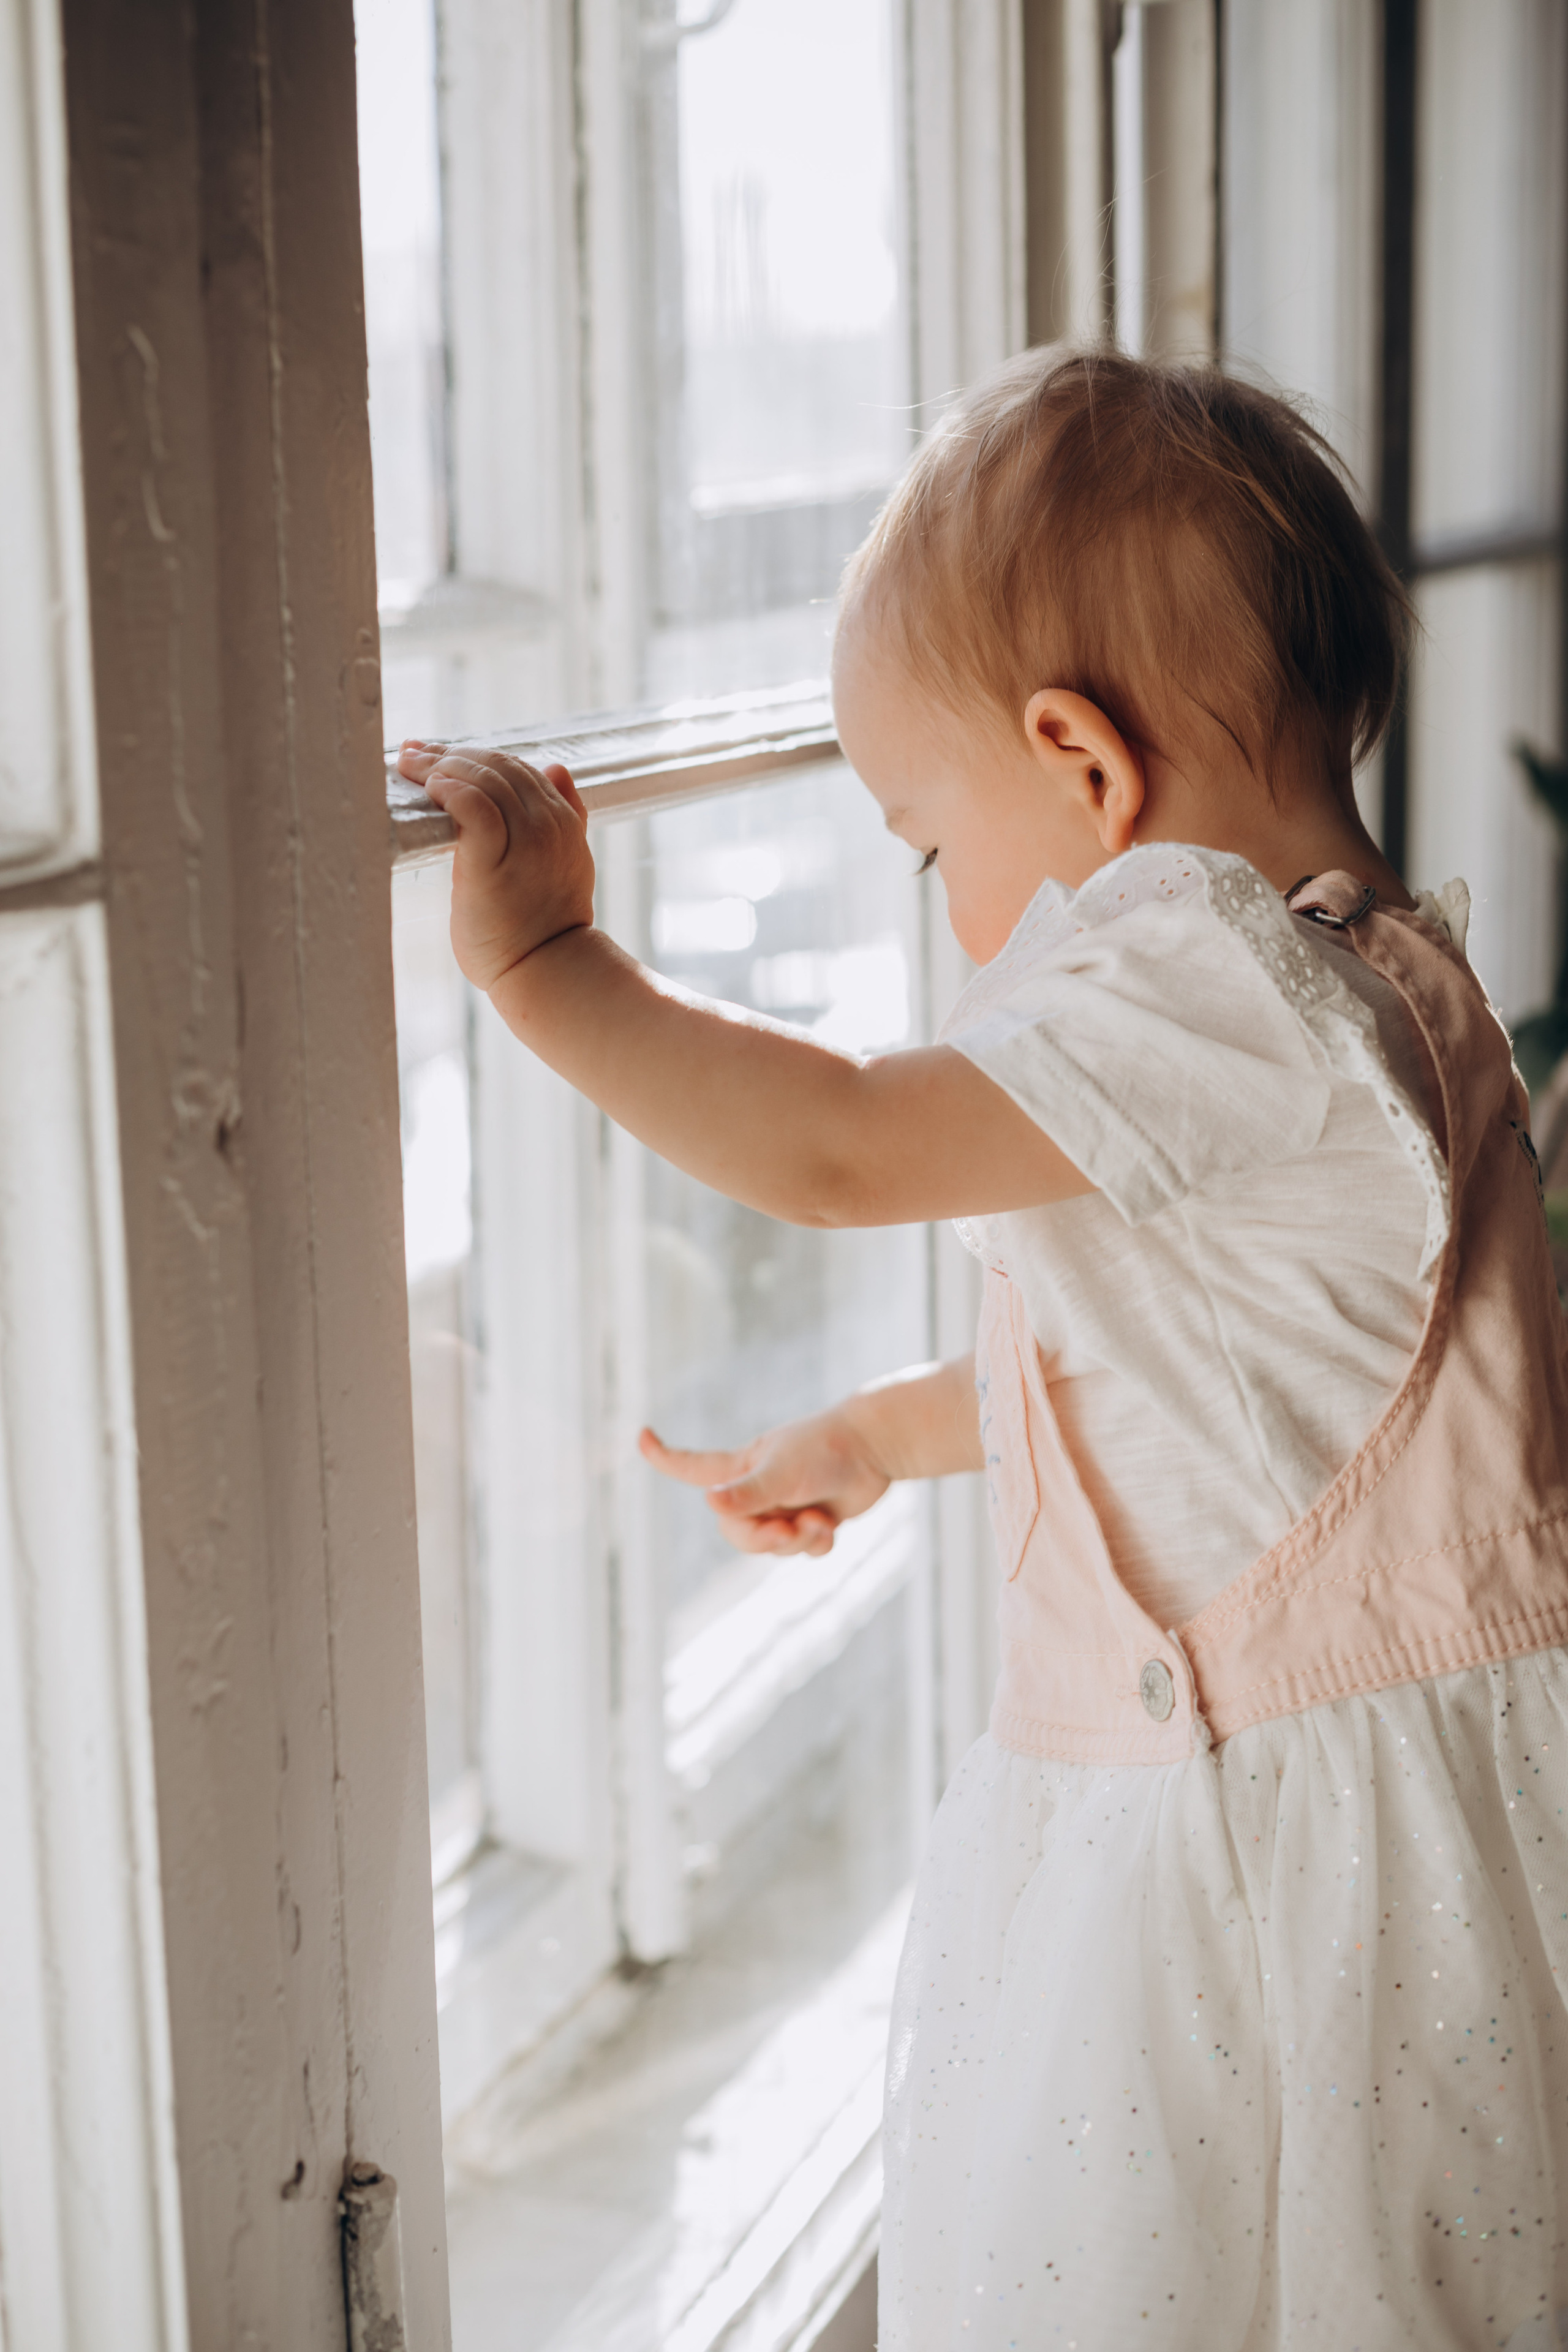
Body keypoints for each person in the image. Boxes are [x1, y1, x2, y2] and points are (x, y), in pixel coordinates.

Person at [396, 349, 1568, 2350]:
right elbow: (1227, 1389)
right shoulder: (1359, 970)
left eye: (933, 848)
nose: (952, 922)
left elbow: (842, 1149)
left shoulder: (1210, 967)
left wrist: (548, 966)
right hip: (1377, 1785)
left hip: (1292, 1836)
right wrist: (877, 1428)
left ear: (1085, 768)